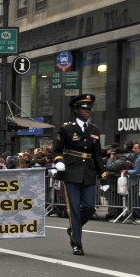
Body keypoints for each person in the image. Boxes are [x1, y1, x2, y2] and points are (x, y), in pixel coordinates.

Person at [52, 93, 107, 255]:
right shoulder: (67, 128)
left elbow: (97, 155)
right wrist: (59, 161)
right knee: (74, 208)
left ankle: (72, 229)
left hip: (88, 172)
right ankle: (77, 242)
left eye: (89, 108)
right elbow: (57, 149)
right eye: (84, 108)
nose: (87, 111)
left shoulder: (94, 129)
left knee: (90, 207)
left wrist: (103, 177)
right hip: (71, 172)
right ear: (76, 110)